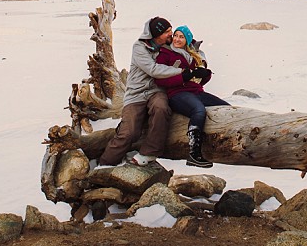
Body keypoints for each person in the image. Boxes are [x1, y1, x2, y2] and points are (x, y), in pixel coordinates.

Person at [96, 16, 201, 168]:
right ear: (157, 35)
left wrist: (197, 60)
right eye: (167, 32)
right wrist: (182, 72)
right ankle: (105, 164)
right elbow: (153, 70)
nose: (171, 35)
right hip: (136, 94)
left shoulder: (167, 45)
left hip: (157, 91)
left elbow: (189, 49)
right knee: (129, 132)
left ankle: (149, 152)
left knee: (161, 108)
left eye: (171, 31)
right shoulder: (139, 48)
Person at [154, 25, 230, 168]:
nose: (177, 39)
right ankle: (194, 153)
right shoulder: (165, 54)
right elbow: (159, 79)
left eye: (181, 37)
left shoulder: (193, 55)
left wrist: (205, 74)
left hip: (196, 92)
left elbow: (198, 81)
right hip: (176, 94)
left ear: (187, 40)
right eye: (175, 35)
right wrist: (182, 77)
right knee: (198, 110)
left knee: (227, 109)